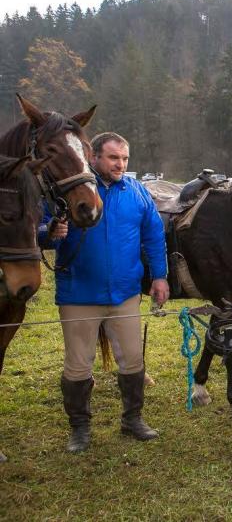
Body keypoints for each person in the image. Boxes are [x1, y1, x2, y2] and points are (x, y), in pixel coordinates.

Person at [39, 132, 168, 454]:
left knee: (133, 360)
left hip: (125, 293)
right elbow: (38, 232)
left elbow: (154, 238)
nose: (120, 164)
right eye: (113, 158)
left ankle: (132, 420)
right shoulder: (66, 192)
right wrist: (50, 232)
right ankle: (80, 429)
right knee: (78, 366)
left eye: (124, 159)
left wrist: (160, 277)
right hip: (79, 293)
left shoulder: (137, 192)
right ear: (93, 157)